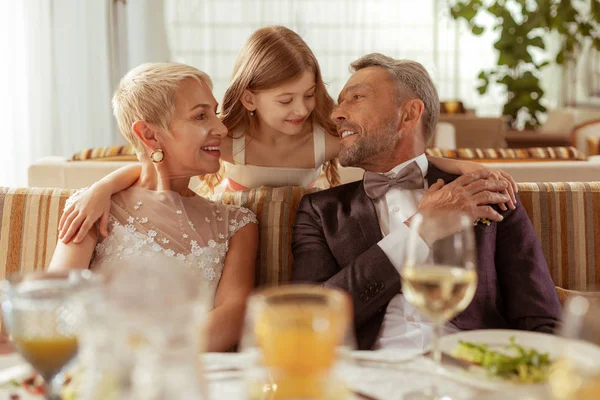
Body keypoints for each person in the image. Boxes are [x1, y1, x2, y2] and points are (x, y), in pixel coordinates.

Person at [57, 26, 518, 244]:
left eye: (308, 94)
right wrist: (100, 188)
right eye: (285, 100)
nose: (301, 110)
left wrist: (467, 166)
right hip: (238, 241)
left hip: (309, 240)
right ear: (251, 98)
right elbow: (158, 161)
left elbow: (397, 158)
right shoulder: (229, 135)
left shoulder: (324, 139)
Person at [291, 53, 561, 351]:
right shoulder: (320, 211)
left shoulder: (485, 191)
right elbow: (306, 317)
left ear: (408, 114)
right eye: (340, 102)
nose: (336, 114)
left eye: (357, 97)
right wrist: (418, 232)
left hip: (468, 372)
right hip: (367, 375)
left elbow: (541, 320)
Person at [48, 62, 259, 352]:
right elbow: (55, 304)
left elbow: (233, 316)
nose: (221, 128)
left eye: (215, 112)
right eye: (200, 116)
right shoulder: (93, 209)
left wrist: (157, 367)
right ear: (149, 135)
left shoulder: (237, 223)